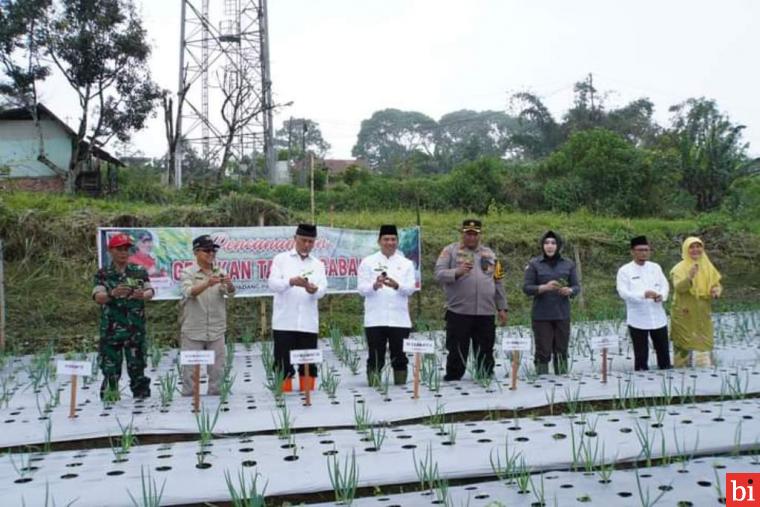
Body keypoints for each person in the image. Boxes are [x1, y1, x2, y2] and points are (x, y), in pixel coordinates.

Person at [434, 219, 508, 381]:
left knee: (486, 348)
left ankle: (485, 376)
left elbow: (498, 281)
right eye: (468, 234)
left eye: (475, 234)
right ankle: (453, 378)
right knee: (457, 348)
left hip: (486, 311)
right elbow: (438, 274)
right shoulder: (450, 251)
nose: (472, 238)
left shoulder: (490, 254)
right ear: (462, 233)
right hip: (459, 311)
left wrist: (502, 307)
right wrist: (457, 272)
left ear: (480, 235)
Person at [92, 232, 153, 401]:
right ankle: (109, 412)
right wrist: (112, 293)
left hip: (135, 330)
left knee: (138, 371)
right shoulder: (103, 274)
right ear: (110, 251)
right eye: (119, 249)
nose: (123, 253)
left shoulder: (138, 271)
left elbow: (150, 291)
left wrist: (142, 295)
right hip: (112, 332)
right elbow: (98, 297)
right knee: (111, 372)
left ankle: (143, 410)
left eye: (126, 249)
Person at [268, 224, 327, 392]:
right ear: (295, 239)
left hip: (308, 322)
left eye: (311, 241)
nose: (307, 245)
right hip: (284, 321)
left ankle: (307, 394)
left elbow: (323, 289)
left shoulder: (318, 264)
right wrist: (291, 282)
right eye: (303, 240)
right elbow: (273, 283)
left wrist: (314, 290)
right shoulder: (281, 259)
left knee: (308, 362)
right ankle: (284, 393)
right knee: (282, 361)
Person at [357, 224, 417, 387]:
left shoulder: (406, 264)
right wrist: (374, 286)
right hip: (375, 319)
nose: (390, 242)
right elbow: (361, 289)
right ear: (379, 241)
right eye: (386, 239)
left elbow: (411, 288)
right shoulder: (368, 262)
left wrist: (397, 285)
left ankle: (400, 389)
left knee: (400, 357)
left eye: (393, 239)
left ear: (397, 241)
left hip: (399, 319)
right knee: (375, 356)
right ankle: (374, 389)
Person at [179, 235, 236, 396]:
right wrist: (207, 283)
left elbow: (229, 293)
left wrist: (230, 285)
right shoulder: (187, 272)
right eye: (207, 251)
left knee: (217, 371)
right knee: (190, 373)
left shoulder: (221, 271)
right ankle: (189, 406)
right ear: (196, 252)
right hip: (193, 329)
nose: (211, 254)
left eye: (213, 251)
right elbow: (189, 292)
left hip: (216, 329)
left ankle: (216, 403)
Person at [522, 230, 580, 375]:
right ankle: (541, 380)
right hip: (542, 315)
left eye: (553, 243)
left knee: (561, 349)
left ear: (558, 246)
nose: (550, 246)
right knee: (543, 350)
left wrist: (570, 291)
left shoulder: (568, 264)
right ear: (542, 246)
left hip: (562, 314)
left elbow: (576, 286)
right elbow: (527, 288)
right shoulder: (534, 264)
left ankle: (561, 379)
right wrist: (544, 287)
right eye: (546, 243)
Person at [616, 236, 671, 371]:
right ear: (632, 252)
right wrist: (642, 295)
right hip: (638, 318)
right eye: (640, 250)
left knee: (663, 351)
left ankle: (666, 373)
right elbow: (623, 292)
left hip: (658, 317)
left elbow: (665, 285)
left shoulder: (655, 267)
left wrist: (661, 296)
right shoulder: (625, 270)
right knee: (641, 353)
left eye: (646, 250)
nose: (644, 253)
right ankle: (642, 380)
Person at [670, 236, 722, 368]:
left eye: (698, 246)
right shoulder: (679, 268)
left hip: (703, 313)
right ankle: (680, 374)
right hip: (684, 312)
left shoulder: (708, 266)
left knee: (703, 343)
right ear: (685, 250)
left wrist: (716, 291)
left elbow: (716, 284)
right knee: (683, 344)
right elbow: (679, 287)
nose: (695, 250)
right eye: (691, 247)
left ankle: (704, 374)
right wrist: (690, 277)